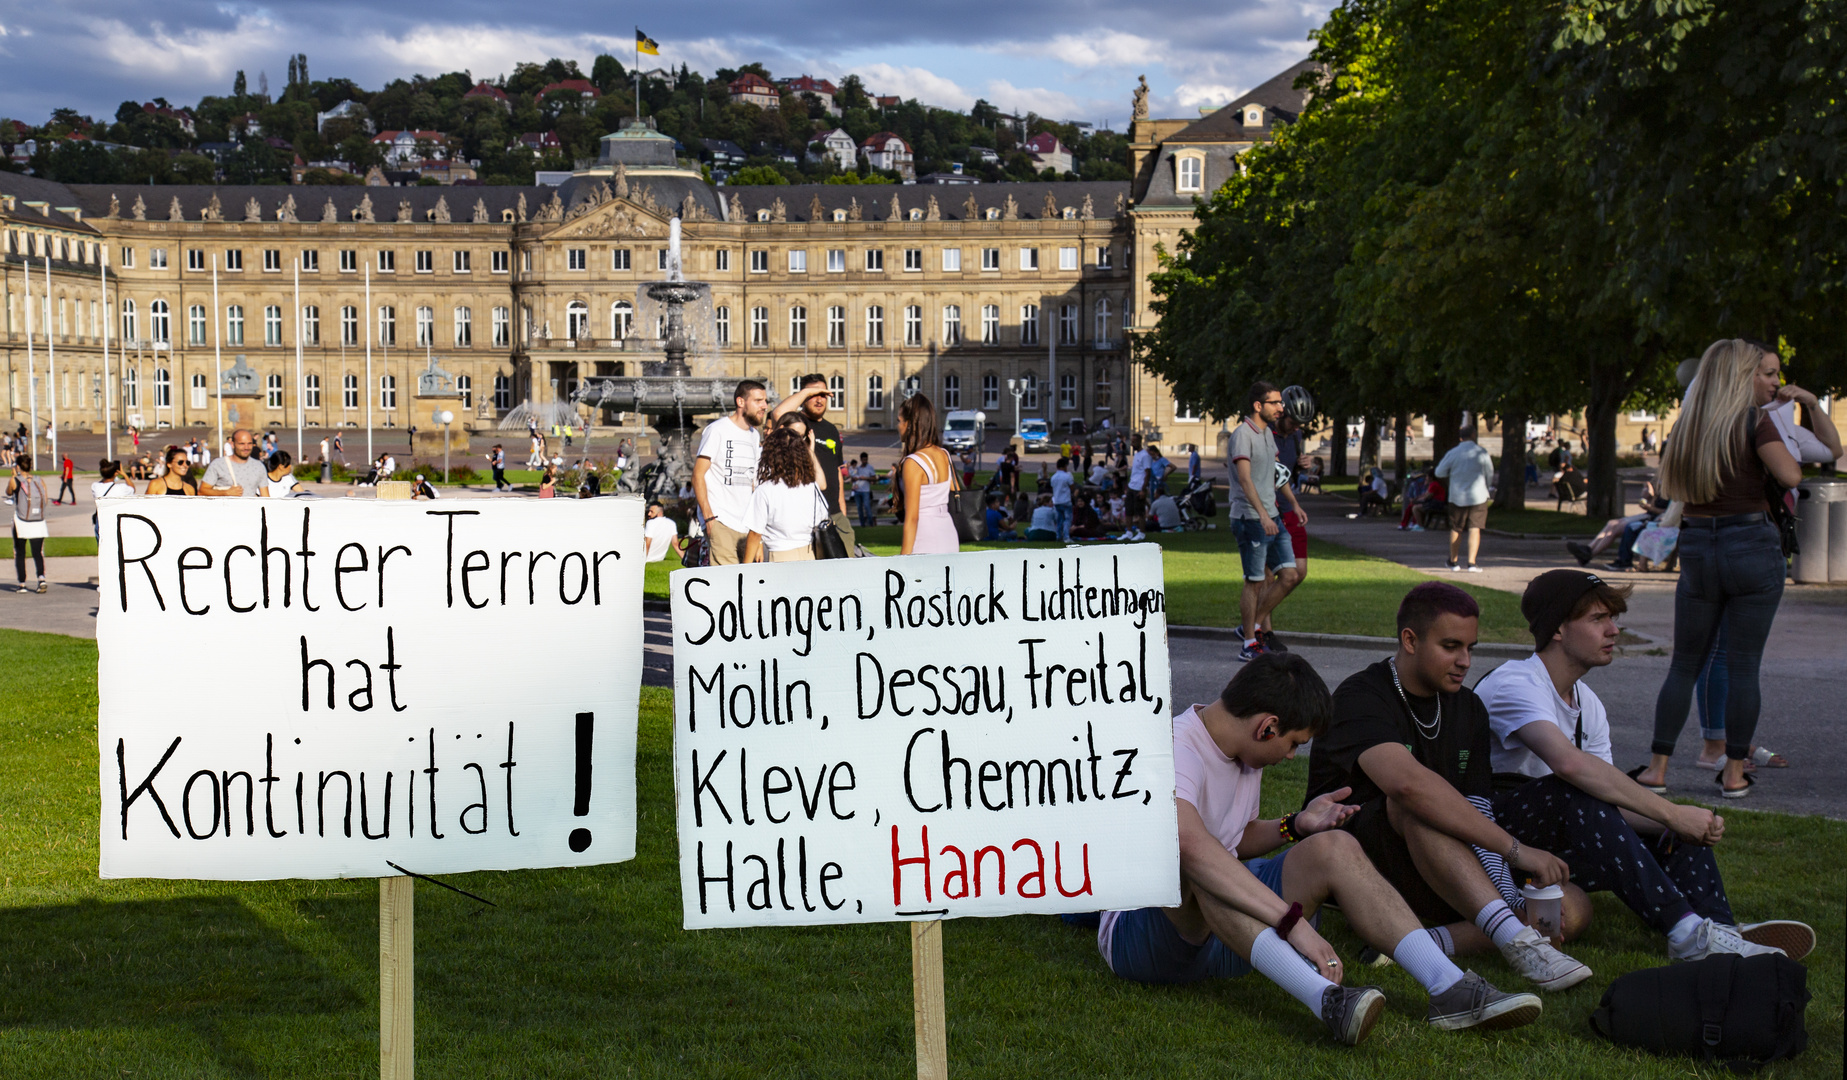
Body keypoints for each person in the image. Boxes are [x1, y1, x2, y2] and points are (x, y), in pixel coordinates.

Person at [1100, 654, 1542, 1043]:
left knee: (1333, 845)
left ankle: (1449, 986)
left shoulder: (1243, 750)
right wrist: (1294, 925)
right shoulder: (1173, 750)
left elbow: (1237, 836)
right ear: (1267, 725)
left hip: (1227, 936)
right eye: (1293, 744)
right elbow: (1194, 849)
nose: (1291, 756)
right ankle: (1327, 1000)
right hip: (1145, 937)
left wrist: (1296, 825)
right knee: (1201, 864)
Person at [1477, 570, 1814, 961]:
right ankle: (1685, 931)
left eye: (1613, 618)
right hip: (1496, 846)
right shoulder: (1515, 682)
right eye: (1598, 619)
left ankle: (1717, 929)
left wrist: (1679, 822)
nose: (1614, 631)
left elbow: (1607, 799)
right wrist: (1670, 812)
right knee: (1576, 789)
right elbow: (1569, 765)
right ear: (1557, 629)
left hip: (1555, 842)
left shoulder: (1588, 703)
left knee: (1669, 827)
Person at [1305, 582, 1594, 992]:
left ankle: (1431, 940)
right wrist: (1516, 850)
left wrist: (1510, 894)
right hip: (1364, 862)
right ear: (1410, 640)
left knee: (1572, 905)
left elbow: (1477, 807)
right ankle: (1516, 943)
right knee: (1419, 805)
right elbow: (1408, 788)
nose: (1465, 661)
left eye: (1470, 648)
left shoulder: (1469, 708)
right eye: (1451, 646)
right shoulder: (1361, 695)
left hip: (1446, 865)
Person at [1637, 339, 1840, 798]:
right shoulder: (1756, 421)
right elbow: (1791, 476)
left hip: (1698, 546)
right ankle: (1732, 774)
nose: (1772, 381)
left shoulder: (1689, 426)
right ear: (1738, 377)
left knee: (1684, 664)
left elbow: (1672, 484)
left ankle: (1657, 769)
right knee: (1743, 666)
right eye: (1762, 373)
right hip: (1749, 543)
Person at [1229, 382, 1305, 662]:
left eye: (1280, 403)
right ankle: (1249, 642)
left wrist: (1294, 503)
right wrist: (1262, 514)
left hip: (1272, 515)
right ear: (1258, 406)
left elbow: (1277, 474)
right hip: (1250, 518)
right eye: (1275, 403)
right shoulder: (1242, 436)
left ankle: (1252, 625)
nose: (1281, 408)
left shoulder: (1267, 435)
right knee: (1255, 581)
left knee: (1291, 574)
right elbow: (1245, 479)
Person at [774, 375, 855, 553]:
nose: (819, 399)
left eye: (823, 395)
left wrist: (841, 511)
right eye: (814, 394)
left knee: (847, 569)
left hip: (834, 514)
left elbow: (837, 472)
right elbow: (778, 414)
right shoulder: (797, 425)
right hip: (807, 515)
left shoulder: (832, 429)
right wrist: (807, 392)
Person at [693, 380, 769, 566]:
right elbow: (698, 475)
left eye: (765, 401)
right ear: (741, 402)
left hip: (746, 522)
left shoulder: (754, 435)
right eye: (758, 401)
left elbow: (753, 483)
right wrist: (709, 518)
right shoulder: (717, 430)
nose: (764, 406)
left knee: (746, 580)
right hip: (721, 519)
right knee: (725, 580)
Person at [742, 424, 826, 563]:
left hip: (780, 555)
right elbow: (821, 519)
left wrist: (745, 567)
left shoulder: (765, 490)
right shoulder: (811, 486)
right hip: (810, 554)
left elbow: (755, 532)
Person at [897, 394, 958, 556]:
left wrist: (902, 560)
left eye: (899, 420)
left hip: (925, 537)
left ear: (909, 424)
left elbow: (912, 517)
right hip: (948, 532)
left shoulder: (913, 463)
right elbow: (954, 489)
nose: (898, 426)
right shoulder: (944, 454)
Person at [1435, 427, 1494, 572]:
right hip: (1478, 495)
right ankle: (1472, 562)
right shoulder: (1481, 452)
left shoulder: (1453, 453)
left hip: (1457, 495)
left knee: (1456, 528)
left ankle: (1453, 561)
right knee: (1475, 528)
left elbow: (1439, 472)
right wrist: (1486, 486)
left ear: (1460, 437)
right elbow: (1489, 472)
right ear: (1473, 435)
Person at [1567, 481, 1668, 566]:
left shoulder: (1672, 493)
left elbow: (1665, 512)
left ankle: (1589, 554)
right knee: (1612, 523)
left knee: (1617, 527)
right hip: (1649, 514)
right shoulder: (1662, 484)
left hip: (1654, 517)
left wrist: (1649, 507)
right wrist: (1652, 494)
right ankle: (1589, 549)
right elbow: (1653, 502)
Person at [7, 454, 49, 594]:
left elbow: (8, 492)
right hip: (38, 521)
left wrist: (13, 476)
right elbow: (46, 499)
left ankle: (22, 583)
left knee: (20, 552)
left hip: (21, 520)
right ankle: (41, 578)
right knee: (38, 552)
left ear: (18, 466)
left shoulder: (15, 480)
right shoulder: (39, 480)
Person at [198, 428, 264, 498]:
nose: (246, 447)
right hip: (225, 508)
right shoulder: (218, 464)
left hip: (250, 508)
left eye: (249, 444)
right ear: (232, 444)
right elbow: (201, 491)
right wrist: (226, 492)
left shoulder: (259, 466)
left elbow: (265, 497)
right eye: (242, 444)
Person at [90, 460, 133, 538]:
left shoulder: (95, 486)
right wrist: (123, 474)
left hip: (100, 522)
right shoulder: (120, 488)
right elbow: (132, 488)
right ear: (115, 473)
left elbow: (101, 483)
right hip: (115, 521)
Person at [1050, 456, 1075, 541]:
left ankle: (1058, 536)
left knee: (1059, 520)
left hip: (1057, 501)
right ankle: (1066, 536)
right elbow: (1072, 487)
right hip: (1066, 500)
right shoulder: (1067, 476)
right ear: (1065, 466)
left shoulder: (1053, 477)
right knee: (1067, 519)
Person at [849, 453, 877, 528]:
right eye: (863, 459)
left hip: (865, 490)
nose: (865, 461)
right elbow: (853, 478)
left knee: (867, 507)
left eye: (866, 459)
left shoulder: (870, 467)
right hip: (857, 490)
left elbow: (874, 478)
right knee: (859, 508)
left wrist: (866, 478)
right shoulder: (858, 468)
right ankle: (862, 524)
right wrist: (854, 479)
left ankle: (871, 523)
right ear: (861, 459)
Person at [1127, 442, 1153, 520]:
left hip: (1139, 486)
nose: (1132, 444)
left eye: (1134, 441)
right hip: (1132, 485)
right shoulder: (1137, 454)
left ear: (1139, 441)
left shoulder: (1145, 455)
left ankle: (1141, 531)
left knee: (1140, 511)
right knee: (1129, 510)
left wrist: (1143, 489)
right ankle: (1129, 531)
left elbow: (1148, 473)